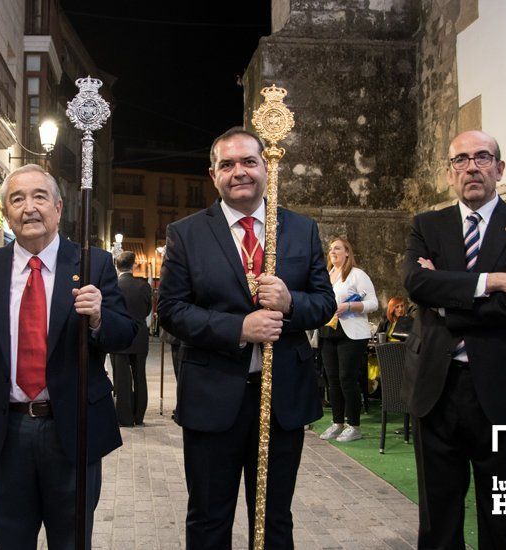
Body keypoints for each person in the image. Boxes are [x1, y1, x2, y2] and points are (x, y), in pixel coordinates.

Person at [158, 127, 335, 549]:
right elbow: (171, 310)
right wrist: (238, 328)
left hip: (281, 400)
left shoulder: (300, 229)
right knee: (208, 518)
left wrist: (291, 304)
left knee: (274, 518)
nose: (240, 172)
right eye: (228, 164)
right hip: (212, 398)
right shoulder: (187, 234)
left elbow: (324, 303)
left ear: (266, 167)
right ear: (213, 174)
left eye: (249, 162)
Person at [0, 164, 135, 550]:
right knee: (11, 540)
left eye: (39, 197)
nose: (28, 207)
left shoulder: (91, 264)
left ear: (59, 208)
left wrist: (99, 316)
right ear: (5, 213)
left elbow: (124, 335)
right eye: (17, 199)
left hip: (71, 429)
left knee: (71, 540)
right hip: (5, 431)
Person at [402, 130, 506, 549]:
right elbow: (416, 284)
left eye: (483, 157)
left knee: (505, 520)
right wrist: (496, 281)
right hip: (437, 388)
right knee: (438, 518)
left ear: (499, 169)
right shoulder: (426, 226)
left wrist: (447, 299)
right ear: (450, 174)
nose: (472, 166)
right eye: (461, 159)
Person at [317, 237, 378, 443]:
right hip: (327, 331)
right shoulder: (325, 276)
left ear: (347, 253)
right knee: (331, 379)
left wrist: (350, 307)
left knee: (346, 378)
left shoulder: (357, 275)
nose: (332, 251)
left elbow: (373, 303)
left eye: (337, 248)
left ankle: (354, 425)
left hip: (350, 333)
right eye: (331, 248)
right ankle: (337, 422)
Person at [110, 251, 152, 427]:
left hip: (119, 335)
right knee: (140, 376)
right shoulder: (144, 286)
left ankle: (124, 417)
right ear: (133, 264)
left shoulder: (113, 286)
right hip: (140, 335)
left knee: (122, 378)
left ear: (117, 266)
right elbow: (148, 309)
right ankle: (139, 416)